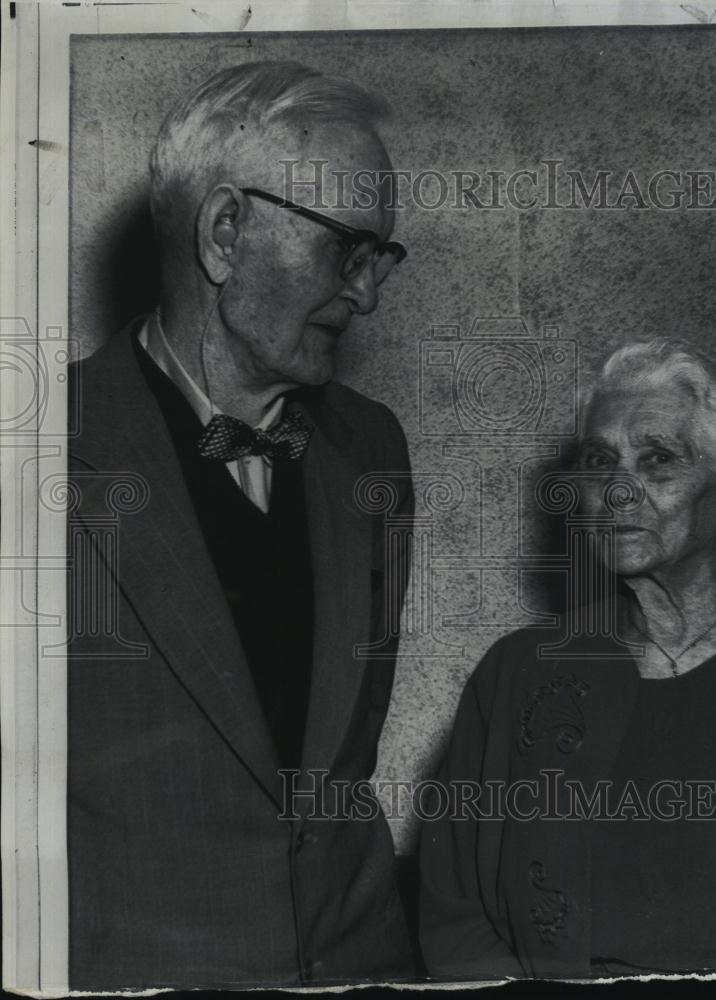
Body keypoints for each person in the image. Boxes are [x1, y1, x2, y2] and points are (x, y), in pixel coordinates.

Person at [67, 61, 414, 989]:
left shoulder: (372, 450)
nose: (368, 293)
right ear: (225, 234)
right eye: (347, 251)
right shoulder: (37, 456)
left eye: (381, 259)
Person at [419, 338, 716, 980]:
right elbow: (456, 910)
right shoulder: (517, 674)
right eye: (599, 461)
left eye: (657, 460)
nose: (616, 493)